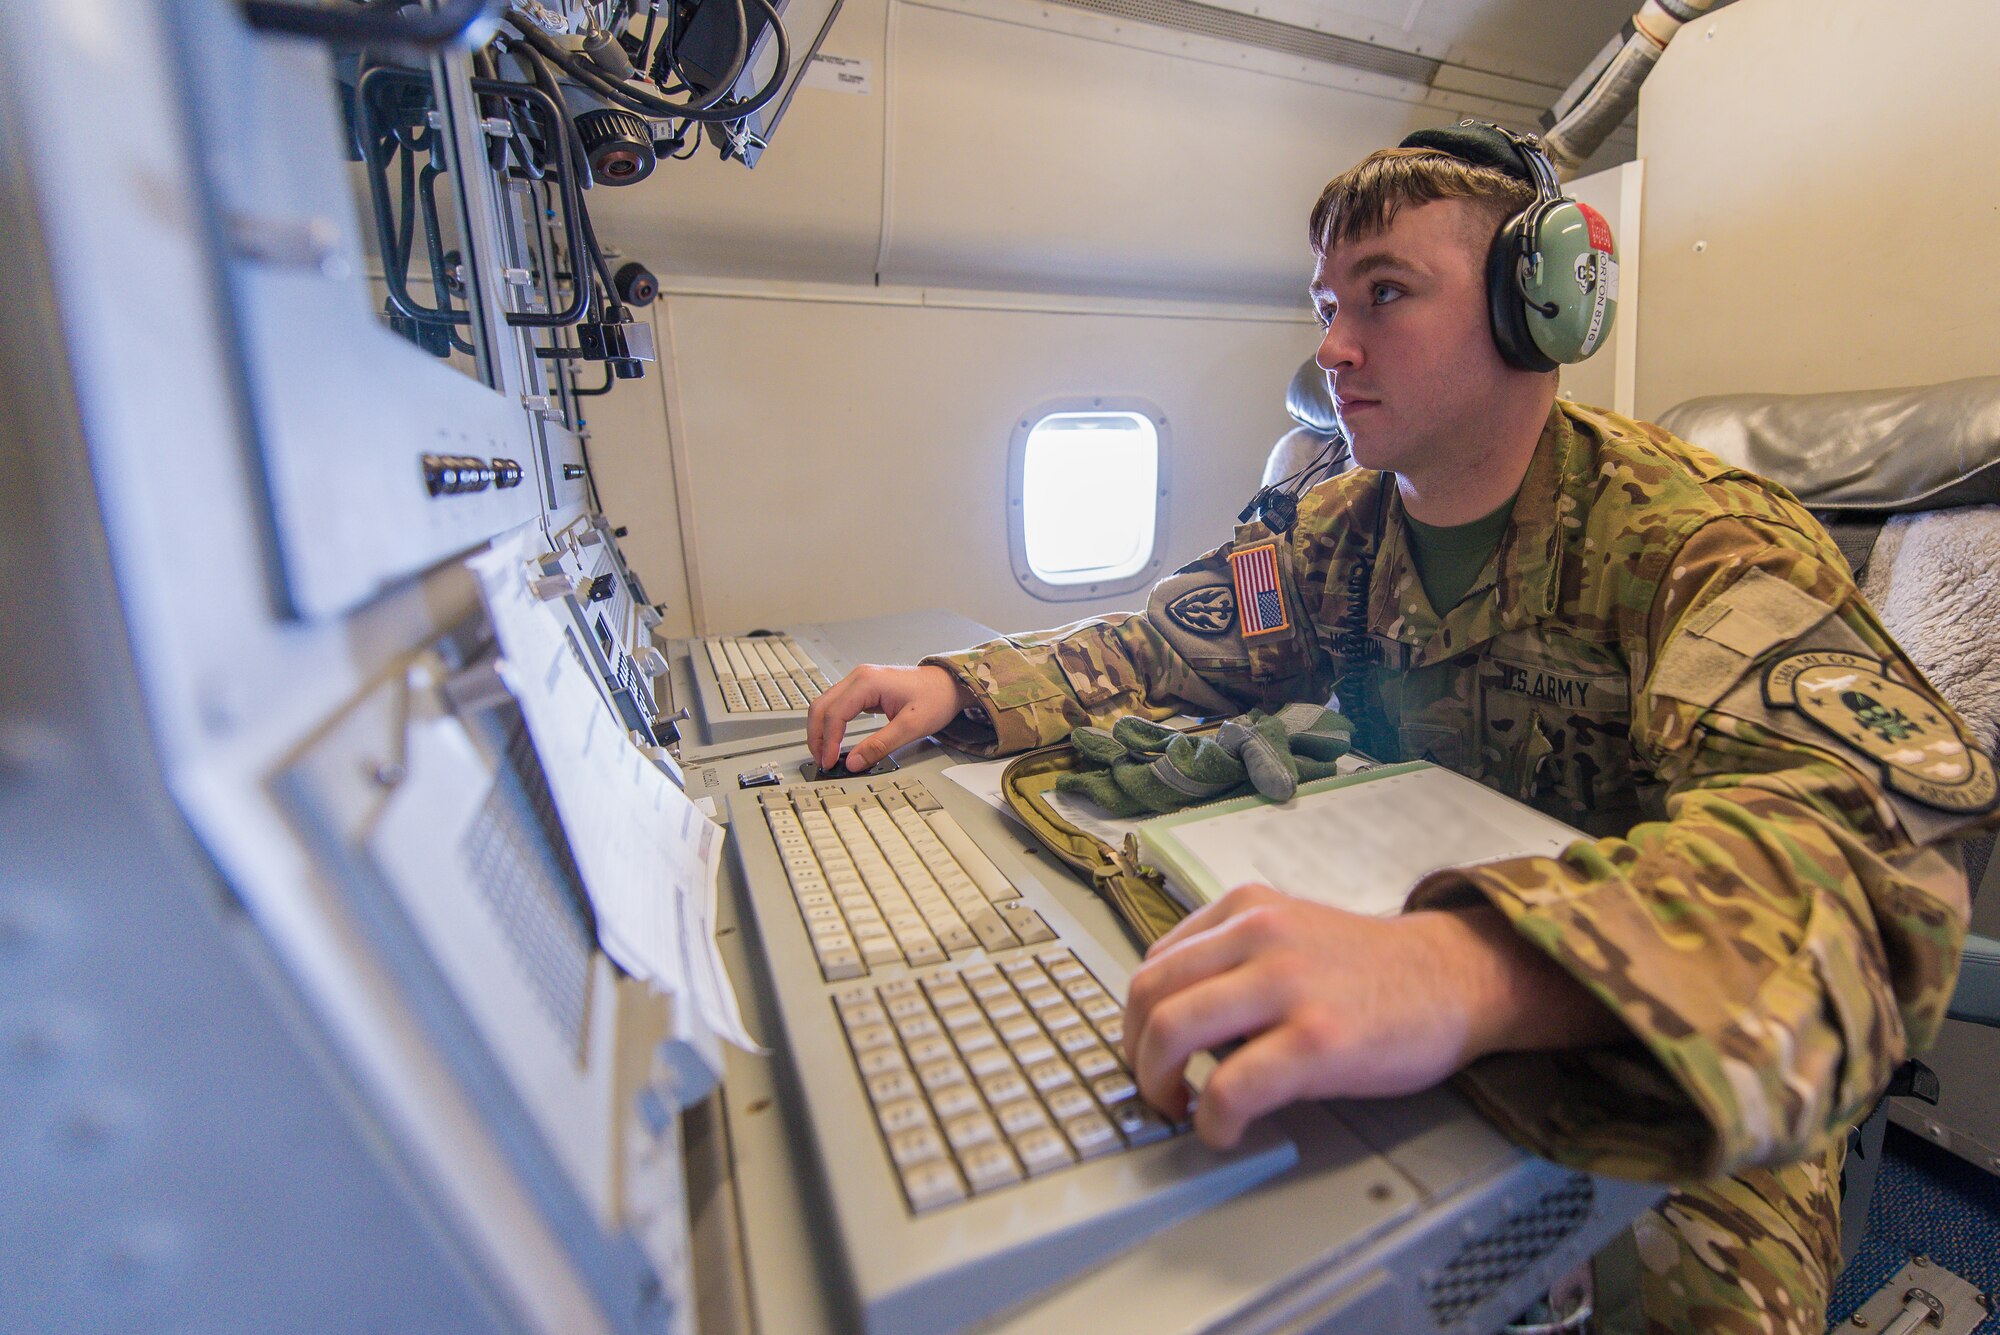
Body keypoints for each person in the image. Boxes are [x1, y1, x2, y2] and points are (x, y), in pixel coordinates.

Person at [806, 122, 1986, 1333]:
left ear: (1536, 314)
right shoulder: (1339, 530)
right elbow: (1173, 644)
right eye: (1326, 302)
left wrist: (1468, 965)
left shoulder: (1694, 541)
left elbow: (1872, 851)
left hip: (1690, 1033)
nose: (1331, 346)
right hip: (1403, 958)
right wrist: (962, 686)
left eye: (1384, 294)